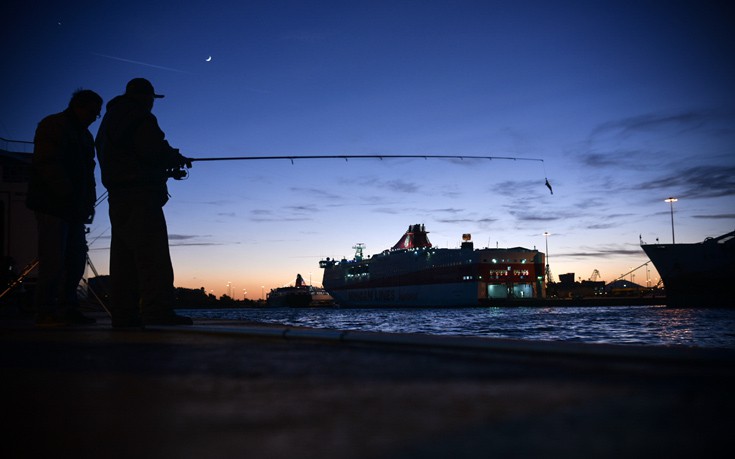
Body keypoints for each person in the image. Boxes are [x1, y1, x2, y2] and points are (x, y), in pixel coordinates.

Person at [95, 78, 193, 327]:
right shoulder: (139, 117)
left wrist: (164, 166)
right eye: (151, 99)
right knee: (153, 256)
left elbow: (132, 155)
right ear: (145, 97)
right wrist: (173, 157)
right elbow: (152, 150)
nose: (152, 104)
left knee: (123, 259)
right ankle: (157, 311)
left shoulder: (109, 120)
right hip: (141, 196)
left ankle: (124, 314)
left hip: (119, 196)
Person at [26, 88, 103, 327]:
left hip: (74, 208)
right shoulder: (53, 125)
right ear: (78, 106)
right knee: (53, 259)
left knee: (76, 258)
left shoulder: (85, 136)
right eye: (92, 112)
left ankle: (68, 307)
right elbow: (47, 163)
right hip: (52, 205)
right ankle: (46, 311)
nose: (94, 117)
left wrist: (88, 200)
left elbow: (89, 172)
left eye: (97, 114)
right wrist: (67, 193)